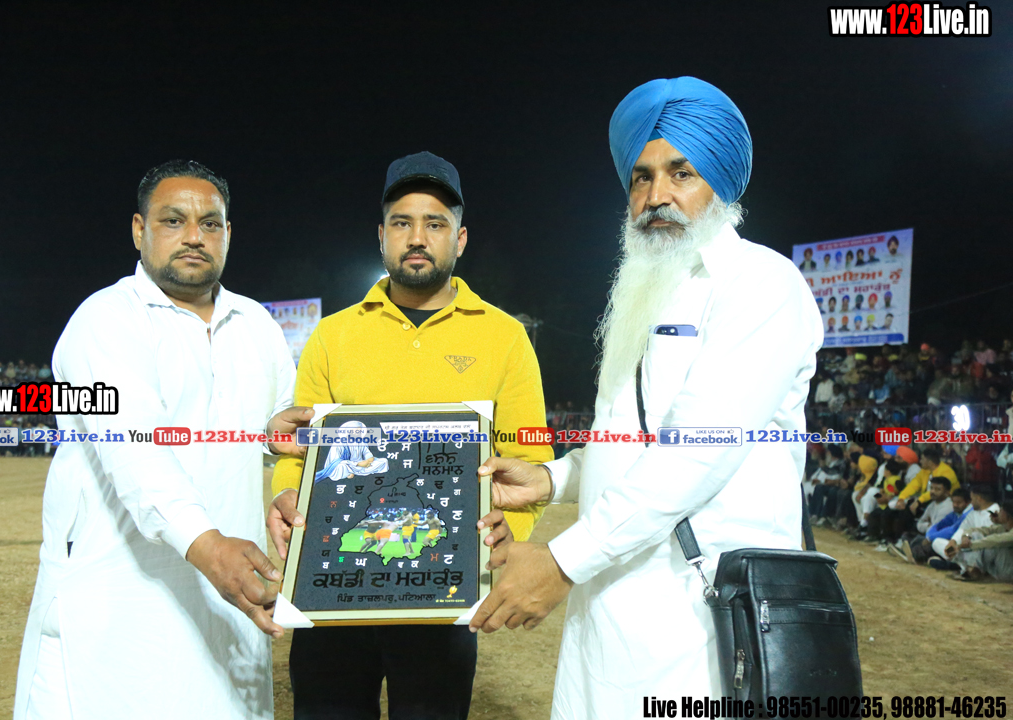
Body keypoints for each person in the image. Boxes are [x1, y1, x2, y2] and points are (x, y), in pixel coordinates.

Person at [469, 76, 823, 712]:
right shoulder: (644, 292)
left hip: (702, 614)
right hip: (608, 605)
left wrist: (561, 561)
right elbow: (631, 436)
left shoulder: (762, 284)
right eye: (641, 178)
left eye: (681, 173)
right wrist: (552, 478)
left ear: (721, 182)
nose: (657, 196)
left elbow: (695, 452)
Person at [13, 160, 312, 720]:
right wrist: (208, 545)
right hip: (116, 601)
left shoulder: (257, 324)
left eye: (210, 223)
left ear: (228, 234)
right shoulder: (103, 320)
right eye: (173, 221)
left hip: (225, 598)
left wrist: (277, 450)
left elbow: (265, 424)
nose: (194, 236)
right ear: (139, 230)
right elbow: (135, 450)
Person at [266, 151, 553, 720]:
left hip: (442, 587)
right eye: (402, 223)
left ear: (460, 239)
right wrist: (285, 492)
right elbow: (302, 450)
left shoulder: (504, 337)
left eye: (435, 224)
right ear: (381, 236)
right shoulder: (331, 336)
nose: (417, 237)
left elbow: (529, 454)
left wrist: (507, 531)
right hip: (335, 586)